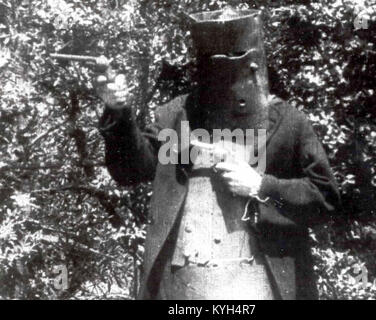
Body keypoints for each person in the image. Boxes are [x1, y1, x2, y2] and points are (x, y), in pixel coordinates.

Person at [95, 9, 340, 300]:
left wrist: (262, 186)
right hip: (185, 292)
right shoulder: (177, 116)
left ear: (252, 65)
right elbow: (130, 171)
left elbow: (325, 199)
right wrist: (117, 110)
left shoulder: (288, 123)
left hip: (258, 288)